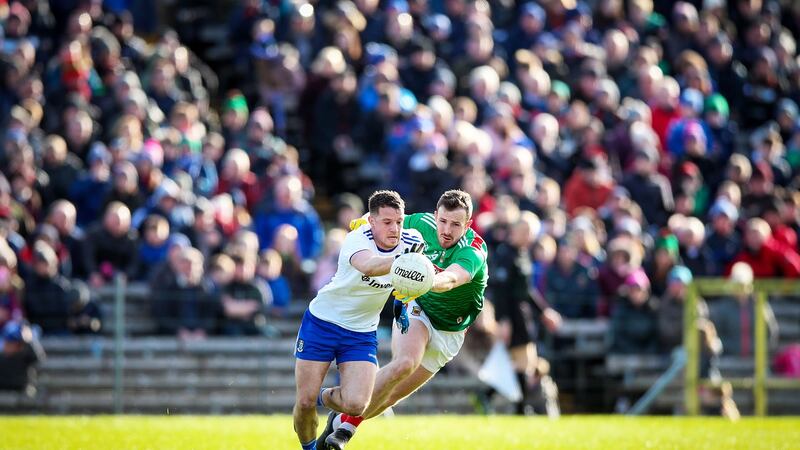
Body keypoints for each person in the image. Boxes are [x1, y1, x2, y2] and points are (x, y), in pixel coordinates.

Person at [319, 190, 488, 450]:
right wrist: (362, 221)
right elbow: (388, 219)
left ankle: (342, 420)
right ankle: (344, 430)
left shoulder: (474, 250)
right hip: (419, 307)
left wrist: (428, 278)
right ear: (435, 216)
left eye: (455, 225)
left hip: (451, 331)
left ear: (467, 225)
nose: (446, 230)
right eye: (442, 221)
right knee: (404, 363)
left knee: (390, 396)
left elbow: (452, 279)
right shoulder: (422, 223)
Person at [292, 190, 425, 450]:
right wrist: (403, 260)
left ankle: (321, 395)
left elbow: (417, 277)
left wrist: (408, 297)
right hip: (322, 323)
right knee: (304, 404)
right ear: (371, 221)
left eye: (399, 221)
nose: (395, 228)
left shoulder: (413, 240)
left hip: (361, 332)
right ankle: (309, 447)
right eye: (387, 222)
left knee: (357, 405)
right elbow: (370, 266)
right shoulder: (356, 238)